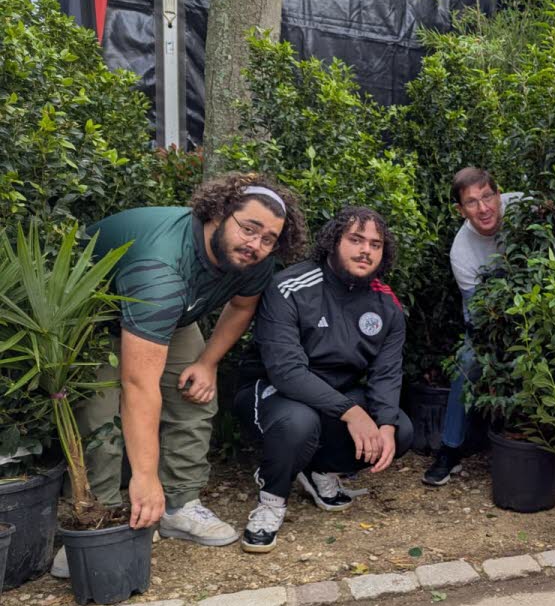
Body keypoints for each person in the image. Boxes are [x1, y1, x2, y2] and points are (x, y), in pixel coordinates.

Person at [54, 174, 307, 577]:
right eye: (249, 228)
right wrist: (144, 477)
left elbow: (242, 306)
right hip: (90, 318)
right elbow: (138, 386)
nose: (256, 244)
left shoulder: (252, 260)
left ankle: (178, 505)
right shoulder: (161, 267)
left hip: (169, 316)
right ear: (219, 213)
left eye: (268, 238)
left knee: (196, 395)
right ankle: (99, 520)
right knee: (101, 419)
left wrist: (207, 361)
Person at [233, 206, 413, 552]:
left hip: (336, 399)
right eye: (356, 240)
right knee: (299, 421)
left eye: (375, 244)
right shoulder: (290, 287)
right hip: (272, 393)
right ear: (333, 242)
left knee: (400, 428)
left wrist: (385, 424)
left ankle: (319, 470)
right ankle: (271, 501)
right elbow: (287, 372)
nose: (365, 250)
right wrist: (354, 414)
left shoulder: (387, 304)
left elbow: (386, 373)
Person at [422, 167, 523, 486]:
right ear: (460, 210)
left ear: (498, 193)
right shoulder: (462, 251)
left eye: (488, 196)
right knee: (466, 362)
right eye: (472, 202)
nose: (484, 208)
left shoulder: (523, 206)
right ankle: (450, 450)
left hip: (543, 311)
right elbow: (477, 315)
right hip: (490, 323)